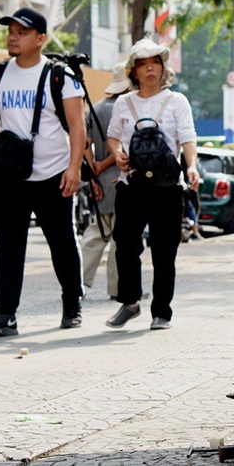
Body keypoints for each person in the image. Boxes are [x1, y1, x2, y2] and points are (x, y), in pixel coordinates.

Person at [0, 7, 87, 337]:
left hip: (53, 174)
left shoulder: (58, 76)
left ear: (40, 39)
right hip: (10, 174)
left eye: (21, 32)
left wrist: (74, 168)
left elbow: (77, 125)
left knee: (61, 242)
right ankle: (3, 314)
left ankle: (72, 301)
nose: (13, 37)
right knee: (7, 244)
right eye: (10, 31)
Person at [104, 39, 200, 331]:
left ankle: (162, 312)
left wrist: (192, 165)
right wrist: (117, 154)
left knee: (164, 250)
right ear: (134, 71)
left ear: (163, 68)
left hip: (168, 186)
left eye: (155, 64)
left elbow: (187, 137)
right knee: (125, 244)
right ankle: (130, 301)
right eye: (143, 65)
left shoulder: (177, 101)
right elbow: (113, 135)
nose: (150, 69)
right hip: (131, 184)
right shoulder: (123, 102)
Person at [81, 61, 129, 299]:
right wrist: (105, 164)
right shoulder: (127, 107)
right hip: (120, 179)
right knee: (121, 237)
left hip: (99, 182)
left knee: (96, 232)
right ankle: (118, 288)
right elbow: (123, 148)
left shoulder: (96, 108)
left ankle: (78, 282)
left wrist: (94, 171)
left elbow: (85, 145)